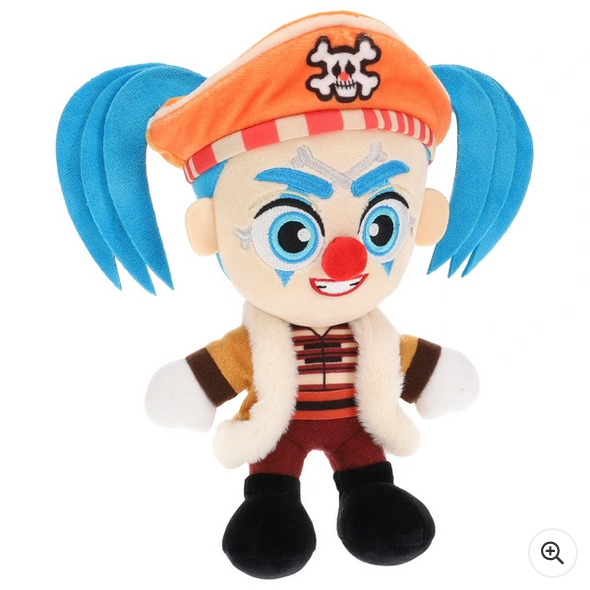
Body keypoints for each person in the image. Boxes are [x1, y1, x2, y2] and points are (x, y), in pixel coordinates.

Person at [56, 10, 533, 580]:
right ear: (209, 230)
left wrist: (437, 376)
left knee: (369, 479)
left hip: (361, 430)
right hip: (274, 433)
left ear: (424, 219)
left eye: (382, 225)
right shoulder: (255, 344)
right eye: (291, 233)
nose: (345, 259)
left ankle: (369, 497)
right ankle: (271, 505)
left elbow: (407, 360)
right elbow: (225, 365)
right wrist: (192, 388)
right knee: (271, 499)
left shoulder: (375, 338)